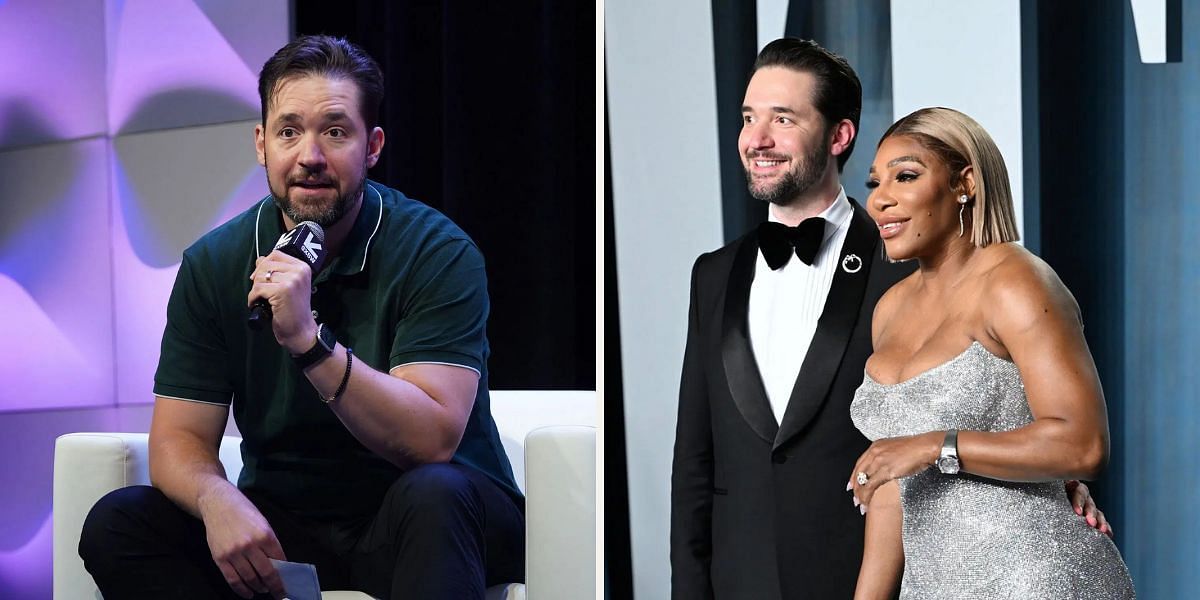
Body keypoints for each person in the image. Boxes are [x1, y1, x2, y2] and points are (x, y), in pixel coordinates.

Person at [78, 35, 524, 599]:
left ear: (373, 146)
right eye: (289, 131)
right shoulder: (214, 263)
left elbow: (430, 440)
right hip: (289, 525)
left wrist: (310, 344)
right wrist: (220, 501)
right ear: (262, 144)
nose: (309, 155)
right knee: (122, 521)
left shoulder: (435, 250)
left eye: (335, 131)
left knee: (434, 493)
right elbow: (178, 439)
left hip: (429, 515)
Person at [670, 38, 1111, 599]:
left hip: (966, 571)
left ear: (839, 135)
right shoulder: (714, 275)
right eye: (749, 117)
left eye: (782, 118)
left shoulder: (916, 265)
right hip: (755, 579)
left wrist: (1053, 478)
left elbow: (1057, 427)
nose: (757, 139)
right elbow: (695, 462)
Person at [848, 107, 1134, 598]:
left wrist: (935, 446)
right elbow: (892, 486)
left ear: (966, 183)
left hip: (1035, 577)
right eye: (875, 184)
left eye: (906, 176)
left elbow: (1084, 445)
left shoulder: (1016, 283)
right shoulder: (889, 309)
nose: (880, 201)